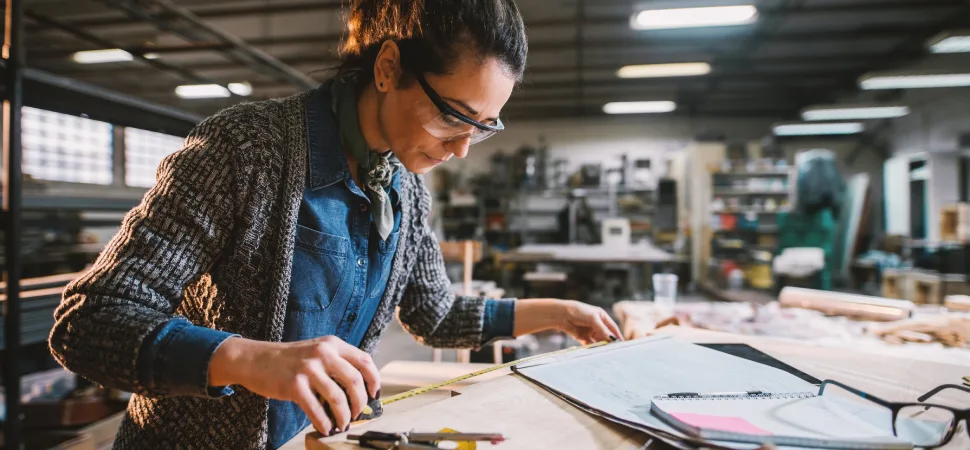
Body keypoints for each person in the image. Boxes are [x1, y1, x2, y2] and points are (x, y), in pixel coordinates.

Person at [48, 0, 622, 448]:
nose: (464, 149)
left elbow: (436, 314)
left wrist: (559, 314)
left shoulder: (405, 190)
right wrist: (250, 360)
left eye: (486, 126)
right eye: (454, 117)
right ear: (389, 66)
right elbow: (89, 320)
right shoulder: (246, 150)